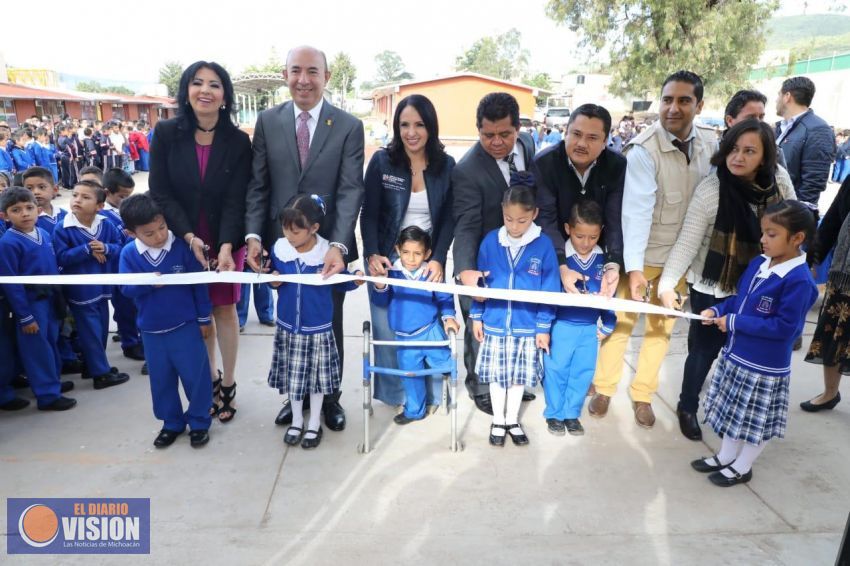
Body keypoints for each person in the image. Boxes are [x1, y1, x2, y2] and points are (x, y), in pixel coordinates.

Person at [245, 45, 365, 432]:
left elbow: (350, 191)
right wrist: (254, 237)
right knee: (292, 326)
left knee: (328, 324)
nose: (303, 79)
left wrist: (339, 245)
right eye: (296, 70)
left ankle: (330, 399)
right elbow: (259, 185)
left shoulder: (347, 126)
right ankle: (294, 396)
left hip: (328, 250)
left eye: (313, 71)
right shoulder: (268, 121)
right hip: (284, 249)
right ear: (285, 75)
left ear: (326, 77)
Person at [591, 70, 716, 429]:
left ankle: (643, 395)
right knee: (622, 325)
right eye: (667, 100)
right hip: (643, 258)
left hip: (680, 261)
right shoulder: (644, 149)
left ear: (699, 105)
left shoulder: (711, 145)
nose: (672, 108)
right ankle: (604, 387)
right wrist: (633, 269)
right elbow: (637, 214)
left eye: (683, 100)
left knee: (661, 330)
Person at [658, 119, 797, 440]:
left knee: (743, 352)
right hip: (713, 285)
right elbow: (687, 243)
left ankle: (728, 407)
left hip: (759, 285)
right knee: (703, 351)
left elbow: (793, 222)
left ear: (764, 157)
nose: (738, 157)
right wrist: (667, 286)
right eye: (734, 148)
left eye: (749, 151)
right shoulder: (712, 188)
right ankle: (687, 406)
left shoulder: (777, 182)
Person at [149, 60, 252, 424]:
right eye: (197, 83)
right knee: (199, 312)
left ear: (225, 95)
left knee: (224, 309)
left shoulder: (238, 141)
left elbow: (237, 198)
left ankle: (230, 382)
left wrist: (226, 245)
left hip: (226, 236)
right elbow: (160, 191)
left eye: (214, 84)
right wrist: (188, 235)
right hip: (183, 236)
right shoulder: (165, 133)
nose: (205, 90)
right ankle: (208, 381)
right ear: (186, 91)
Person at [692, 200, 817, 486]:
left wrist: (735, 322)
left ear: (797, 238)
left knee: (754, 423)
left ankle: (743, 465)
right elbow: (740, 300)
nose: (762, 240)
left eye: (771, 234)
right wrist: (719, 311)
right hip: (737, 356)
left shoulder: (799, 281)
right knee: (734, 415)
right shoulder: (760, 263)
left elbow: (786, 329)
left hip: (763, 368)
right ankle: (726, 456)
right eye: (763, 232)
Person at [360, 94, 455, 409]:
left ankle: (427, 394)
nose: (411, 132)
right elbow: (369, 213)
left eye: (419, 124)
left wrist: (439, 258)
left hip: (426, 261)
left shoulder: (445, 166)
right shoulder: (382, 161)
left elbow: (449, 218)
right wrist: (373, 254)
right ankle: (394, 394)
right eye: (404, 125)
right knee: (388, 329)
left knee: (428, 328)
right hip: (388, 259)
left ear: (431, 126)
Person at [453, 92, 537, 415]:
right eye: (488, 135)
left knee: (515, 327)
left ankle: (512, 381)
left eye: (505, 134)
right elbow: (467, 226)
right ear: (478, 130)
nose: (497, 142)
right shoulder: (467, 171)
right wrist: (465, 270)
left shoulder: (527, 145)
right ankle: (481, 387)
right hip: (485, 265)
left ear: (518, 128)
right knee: (482, 333)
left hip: (521, 261)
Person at [469, 174, 560, 447]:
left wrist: (543, 326)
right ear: (502, 212)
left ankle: (512, 420)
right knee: (497, 377)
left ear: (535, 214)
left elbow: (550, 289)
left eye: (522, 220)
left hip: (526, 326)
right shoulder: (490, 242)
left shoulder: (543, 246)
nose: (515, 226)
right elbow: (479, 284)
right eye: (509, 219)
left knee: (518, 379)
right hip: (495, 323)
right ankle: (498, 420)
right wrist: (476, 315)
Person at [267, 195, 364, 449]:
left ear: (314, 229)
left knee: (317, 380)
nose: (290, 235)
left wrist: (356, 279)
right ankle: (297, 419)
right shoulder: (281, 249)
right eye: (286, 229)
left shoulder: (326, 253)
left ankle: (314, 425)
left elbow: (341, 281)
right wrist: (271, 279)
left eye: (296, 231)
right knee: (294, 379)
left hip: (318, 328)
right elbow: (270, 275)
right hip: (289, 327)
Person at [119, 194, 213, 448]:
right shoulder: (129, 254)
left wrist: (204, 318)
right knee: (161, 381)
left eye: (162, 227)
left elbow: (199, 285)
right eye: (149, 233)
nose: (159, 236)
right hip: (151, 330)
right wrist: (148, 283)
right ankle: (171, 423)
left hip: (186, 327)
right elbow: (125, 290)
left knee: (196, 377)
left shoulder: (182, 248)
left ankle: (199, 421)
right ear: (131, 233)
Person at [533, 103, 625, 298]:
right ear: (566, 133)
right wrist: (561, 265)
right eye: (576, 134)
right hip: (555, 251)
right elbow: (546, 220)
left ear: (605, 141)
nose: (582, 143)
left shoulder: (616, 165)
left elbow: (614, 218)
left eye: (592, 138)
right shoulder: (544, 163)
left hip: (596, 252)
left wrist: (613, 263)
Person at [371, 226, 460, 424]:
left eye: (417, 253)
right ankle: (414, 411)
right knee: (410, 378)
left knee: (446, 364)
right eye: (406, 252)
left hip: (430, 331)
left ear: (427, 253)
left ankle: (444, 370)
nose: (411, 259)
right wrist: (379, 285)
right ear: (397, 250)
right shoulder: (391, 273)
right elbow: (381, 302)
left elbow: (444, 297)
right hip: (404, 338)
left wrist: (449, 317)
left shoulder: (431, 272)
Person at [543, 200, 616, 436]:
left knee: (582, 373)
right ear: (567, 229)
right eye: (580, 236)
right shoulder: (558, 258)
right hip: (560, 326)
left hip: (589, 330)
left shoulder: (604, 261)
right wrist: (543, 327)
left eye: (593, 237)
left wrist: (609, 322)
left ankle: (572, 414)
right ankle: (554, 413)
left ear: (601, 233)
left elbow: (608, 296)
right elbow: (546, 294)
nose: (586, 243)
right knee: (556, 370)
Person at [0, 187, 76, 410]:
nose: (24, 213)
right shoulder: (8, 243)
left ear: (38, 209)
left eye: (29, 208)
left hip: (50, 297)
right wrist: (25, 316)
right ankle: (47, 395)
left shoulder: (43, 234)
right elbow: (11, 284)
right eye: (16, 210)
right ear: (4, 216)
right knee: (36, 348)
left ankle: (53, 382)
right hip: (31, 303)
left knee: (51, 340)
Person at [53, 180, 130, 389]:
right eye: (75, 195)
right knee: (91, 332)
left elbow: (119, 247)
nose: (77, 200)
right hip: (81, 290)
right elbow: (61, 258)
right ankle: (101, 374)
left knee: (102, 328)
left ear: (99, 206)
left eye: (85, 197)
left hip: (103, 287)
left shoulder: (105, 223)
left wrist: (105, 247)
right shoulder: (63, 228)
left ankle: (93, 364)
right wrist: (87, 250)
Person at [801, 175, 850, 412]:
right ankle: (830, 393)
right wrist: (811, 259)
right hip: (843, 275)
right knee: (831, 334)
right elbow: (831, 222)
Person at [774, 76, 836, 215]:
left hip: (789, 214)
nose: (776, 100)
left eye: (778, 95)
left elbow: (813, 182)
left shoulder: (818, 129)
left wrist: (795, 216)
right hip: (773, 207)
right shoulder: (780, 128)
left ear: (787, 96)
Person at [102, 167, 143, 362]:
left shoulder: (125, 211)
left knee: (134, 307)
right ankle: (130, 343)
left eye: (129, 196)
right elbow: (113, 246)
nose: (126, 200)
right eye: (121, 196)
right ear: (107, 192)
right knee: (124, 308)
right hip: (116, 271)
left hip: (131, 267)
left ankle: (133, 336)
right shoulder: (103, 217)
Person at [723, 89, 787, 169]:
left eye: (761, 117)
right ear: (730, 121)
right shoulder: (712, 149)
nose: (757, 123)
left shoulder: (774, 152)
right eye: (751, 118)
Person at [22, 167, 65, 234]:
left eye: (42, 187)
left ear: (55, 190)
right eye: (29, 188)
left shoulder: (65, 214)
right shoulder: (25, 219)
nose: (35, 192)